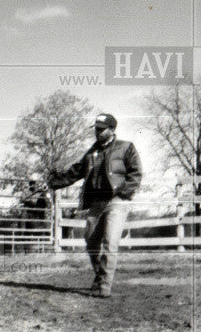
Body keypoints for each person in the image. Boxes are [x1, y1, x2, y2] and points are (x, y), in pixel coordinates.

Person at [49, 113, 142, 297]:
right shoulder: (92, 152)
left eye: (101, 129)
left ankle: (104, 286)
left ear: (112, 130)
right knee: (91, 241)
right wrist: (55, 182)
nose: (97, 132)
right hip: (97, 203)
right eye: (96, 129)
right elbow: (76, 172)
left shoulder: (126, 148)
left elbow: (136, 174)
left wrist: (123, 192)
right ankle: (100, 276)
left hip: (116, 201)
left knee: (110, 242)